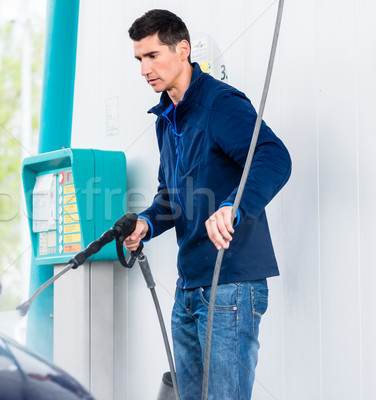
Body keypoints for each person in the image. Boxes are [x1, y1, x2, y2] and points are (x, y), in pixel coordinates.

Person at [124, 9, 291, 400]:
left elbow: (273, 156)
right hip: (188, 287)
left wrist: (235, 205)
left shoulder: (221, 104)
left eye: (152, 56)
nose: (144, 68)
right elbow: (171, 194)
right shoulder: (166, 119)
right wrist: (146, 224)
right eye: (139, 59)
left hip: (230, 285)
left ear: (182, 50)